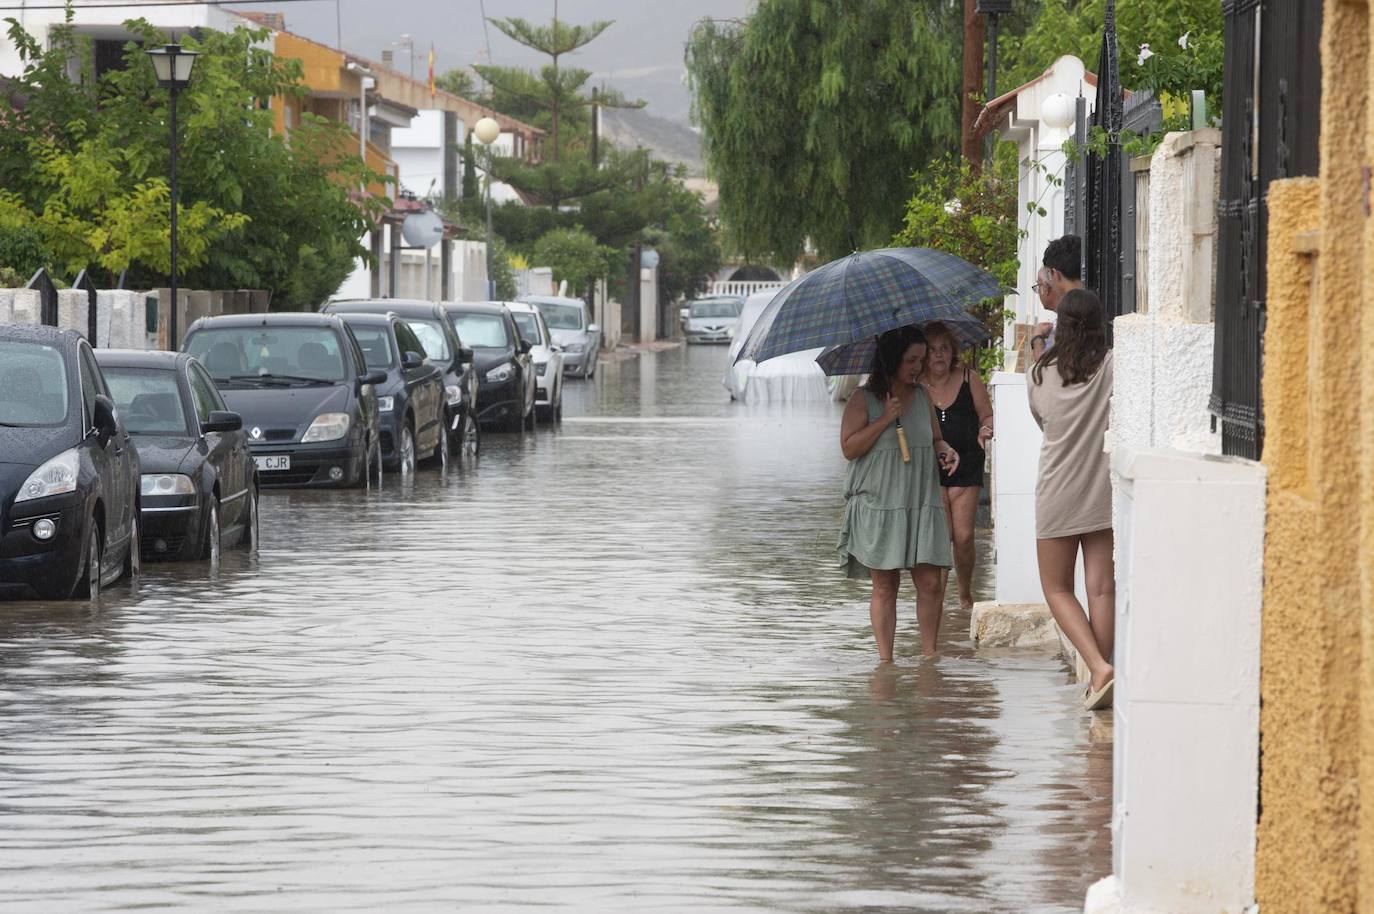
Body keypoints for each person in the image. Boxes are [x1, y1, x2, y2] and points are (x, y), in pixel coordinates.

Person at [838, 326, 962, 661]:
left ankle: (929, 657)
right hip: (880, 505)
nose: (918, 367)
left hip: (920, 502)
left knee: (931, 583)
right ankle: (885, 663)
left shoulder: (921, 396)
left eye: (921, 360)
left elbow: (934, 438)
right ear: (891, 359)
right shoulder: (863, 400)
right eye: (911, 360)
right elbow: (849, 448)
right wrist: (884, 420)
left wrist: (945, 449)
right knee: (885, 586)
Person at [1027, 288, 1116, 710]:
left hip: (1057, 489)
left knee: (1056, 587)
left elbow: (1041, 419)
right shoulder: (1113, 366)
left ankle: (1097, 668)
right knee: (1100, 590)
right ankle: (1101, 671)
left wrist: (1036, 345)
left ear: (1060, 325)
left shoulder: (1040, 374)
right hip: (1101, 489)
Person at [918, 321, 994, 611]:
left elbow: (987, 415)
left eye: (944, 349)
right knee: (943, 535)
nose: (939, 355)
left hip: (968, 463)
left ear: (953, 352)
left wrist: (986, 429)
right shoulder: (917, 386)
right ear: (924, 354)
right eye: (933, 350)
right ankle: (936, 597)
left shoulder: (968, 378)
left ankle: (964, 595)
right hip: (930, 467)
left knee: (963, 536)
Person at [1029, 235, 1083, 361]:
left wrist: (1037, 339)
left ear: (1054, 274)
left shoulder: (1070, 316)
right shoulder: (1094, 305)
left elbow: (1046, 371)